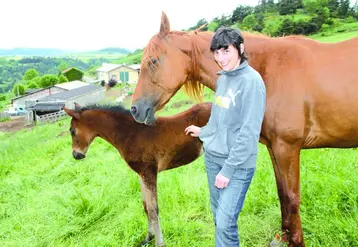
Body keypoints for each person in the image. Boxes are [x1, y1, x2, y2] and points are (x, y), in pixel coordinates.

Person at [185, 27, 266, 247]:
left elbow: (249, 132)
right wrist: (204, 132)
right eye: (217, 53)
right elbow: (219, 117)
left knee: (225, 222)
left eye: (226, 51)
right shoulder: (222, 79)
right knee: (219, 217)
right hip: (213, 159)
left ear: (240, 48)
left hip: (237, 165)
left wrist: (228, 170)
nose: (221, 58)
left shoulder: (252, 82)